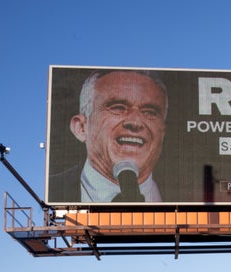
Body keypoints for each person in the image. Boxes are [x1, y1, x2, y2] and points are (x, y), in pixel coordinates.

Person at [49, 69, 168, 203]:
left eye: (149, 112)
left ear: (162, 133)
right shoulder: (55, 190)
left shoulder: (184, 195)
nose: (135, 122)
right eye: (118, 108)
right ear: (81, 128)